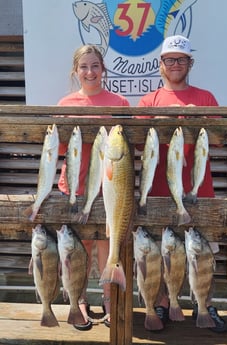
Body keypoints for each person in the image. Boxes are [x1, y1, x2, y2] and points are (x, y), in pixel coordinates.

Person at [137, 35, 227, 333]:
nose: (175, 65)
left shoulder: (206, 98)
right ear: (160, 64)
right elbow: (139, 144)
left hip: (200, 192)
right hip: (159, 192)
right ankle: (163, 303)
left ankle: (204, 304)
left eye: (181, 59)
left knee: (203, 257)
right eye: (170, 59)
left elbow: (218, 138)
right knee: (161, 256)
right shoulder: (148, 101)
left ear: (190, 63)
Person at [57, 44, 130, 330]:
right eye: (84, 67)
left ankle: (109, 301)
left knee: (106, 244)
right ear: (76, 71)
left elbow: (128, 146)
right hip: (74, 188)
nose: (90, 72)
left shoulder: (120, 103)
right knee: (81, 247)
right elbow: (61, 146)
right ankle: (81, 300)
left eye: (95, 66)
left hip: (110, 188)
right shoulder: (65, 104)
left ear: (103, 69)